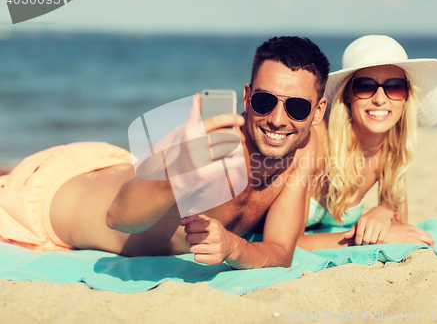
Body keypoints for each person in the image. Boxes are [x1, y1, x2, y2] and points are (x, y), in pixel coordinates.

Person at [0, 36, 330, 269]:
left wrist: (235, 247)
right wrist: (175, 174)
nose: (276, 119)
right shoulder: (213, 142)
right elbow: (119, 216)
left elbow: (279, 250)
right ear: (247, 96)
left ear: (318, 112)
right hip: (49, 203)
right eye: (264, 101)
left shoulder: (304, 146)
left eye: (298, 108)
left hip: (106, 168)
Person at [297, 35, 437, 250]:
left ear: (406, 97)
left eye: (394, 87)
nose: (380, 99)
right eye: (365, 86)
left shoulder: (391, 151)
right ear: (347, 95)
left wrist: (383, 212)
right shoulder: (316, 142)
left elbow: (400, 228)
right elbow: (284, 244)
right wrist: (372, 238)